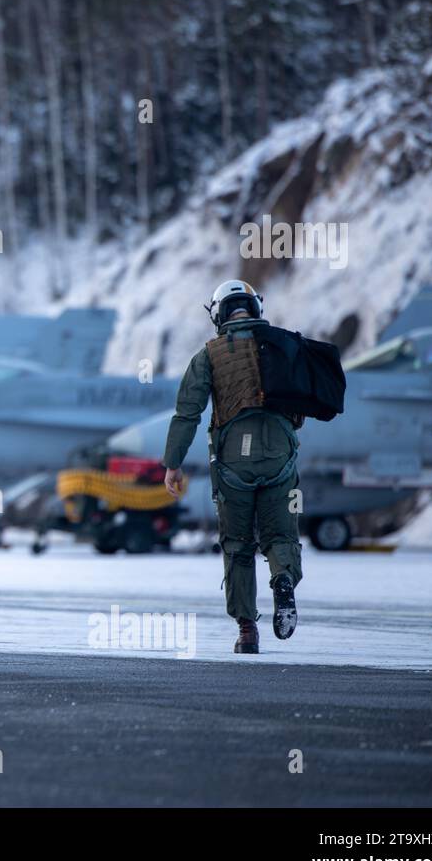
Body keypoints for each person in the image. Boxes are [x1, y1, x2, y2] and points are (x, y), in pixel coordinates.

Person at [162, 280, 301, 654]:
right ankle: (283, 578)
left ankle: (247, 630)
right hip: (280, 456)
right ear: (256, 308)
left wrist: (173, 463)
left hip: (234, 463)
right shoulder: (282, 344)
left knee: (238, 544)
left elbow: (187, 413)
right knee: (281, 534)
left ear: (219, 315)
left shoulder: (208, 355)